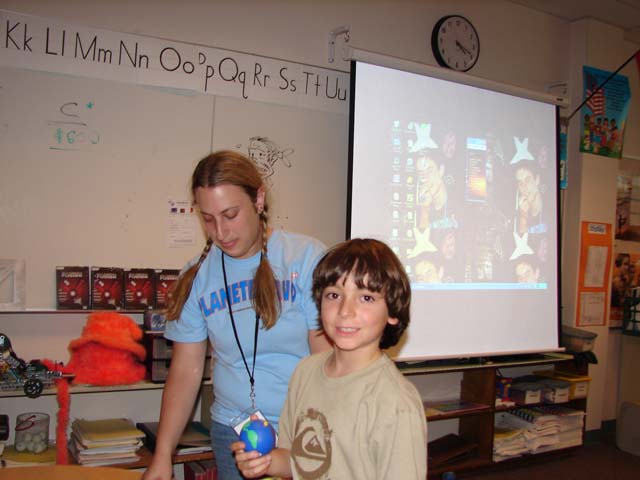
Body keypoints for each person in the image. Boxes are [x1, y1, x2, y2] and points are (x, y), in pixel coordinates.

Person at [142, 150, 331, 480]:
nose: (221, 232)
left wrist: (310, 434)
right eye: (208, 219)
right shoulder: (197, 277)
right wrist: (162, 455)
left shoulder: (305, 259)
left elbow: (325, 361)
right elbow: (185, 371)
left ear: (258, 199)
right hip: (234, 431)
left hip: (303, 427)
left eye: (230, 215)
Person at [232, 238, 428, 479]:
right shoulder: (305, 371)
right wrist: (265, 462)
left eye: (366, 297)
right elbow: (295, 460)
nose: (345, 311)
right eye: (334, 295)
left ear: (393, 312)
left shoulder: (396, 403)